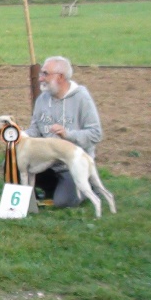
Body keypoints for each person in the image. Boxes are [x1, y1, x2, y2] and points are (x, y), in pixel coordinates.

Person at [26, 55, 103, 208]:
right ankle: (54, 189)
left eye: (45, 74)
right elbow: (35, 130)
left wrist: (68, 134)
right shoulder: (42, 100)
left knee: (63, 203)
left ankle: (85, 186)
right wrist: (16, 136)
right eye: (41, 74)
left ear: (60, 77)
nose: (40, 78)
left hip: (71, 164)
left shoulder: (82, 98)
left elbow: (95, 133)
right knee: (11, 163)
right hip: (47, 161)